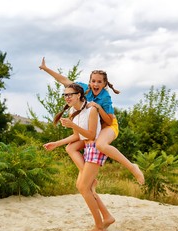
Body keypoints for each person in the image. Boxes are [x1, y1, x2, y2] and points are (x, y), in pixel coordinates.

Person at [39, 57, 145, 185]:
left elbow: (110, 121)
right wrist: (46, 69)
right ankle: (87, 176)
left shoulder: (105, 97)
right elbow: (65, 80)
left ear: (104, 84)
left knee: (101, 145)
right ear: (89, 82)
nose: (96, 84)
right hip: (94, 128)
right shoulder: (83, 89)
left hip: (108, 126)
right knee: (71, 148)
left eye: (99, 82)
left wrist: (98, 107)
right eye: (93, 81)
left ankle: (132, 167)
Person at [43, 83, 115, 231]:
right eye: (65, 95)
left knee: (83, 187)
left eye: (70, 94)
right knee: (82, 186)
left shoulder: (91, 109)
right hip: (88, 149)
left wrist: (71, 124)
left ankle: (99, 227)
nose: (67, 97)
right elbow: (77, 136)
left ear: (79, 95)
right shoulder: (73, 112)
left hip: (95, 147)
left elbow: (90, 134)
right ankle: (107, 217)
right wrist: (56, 143)